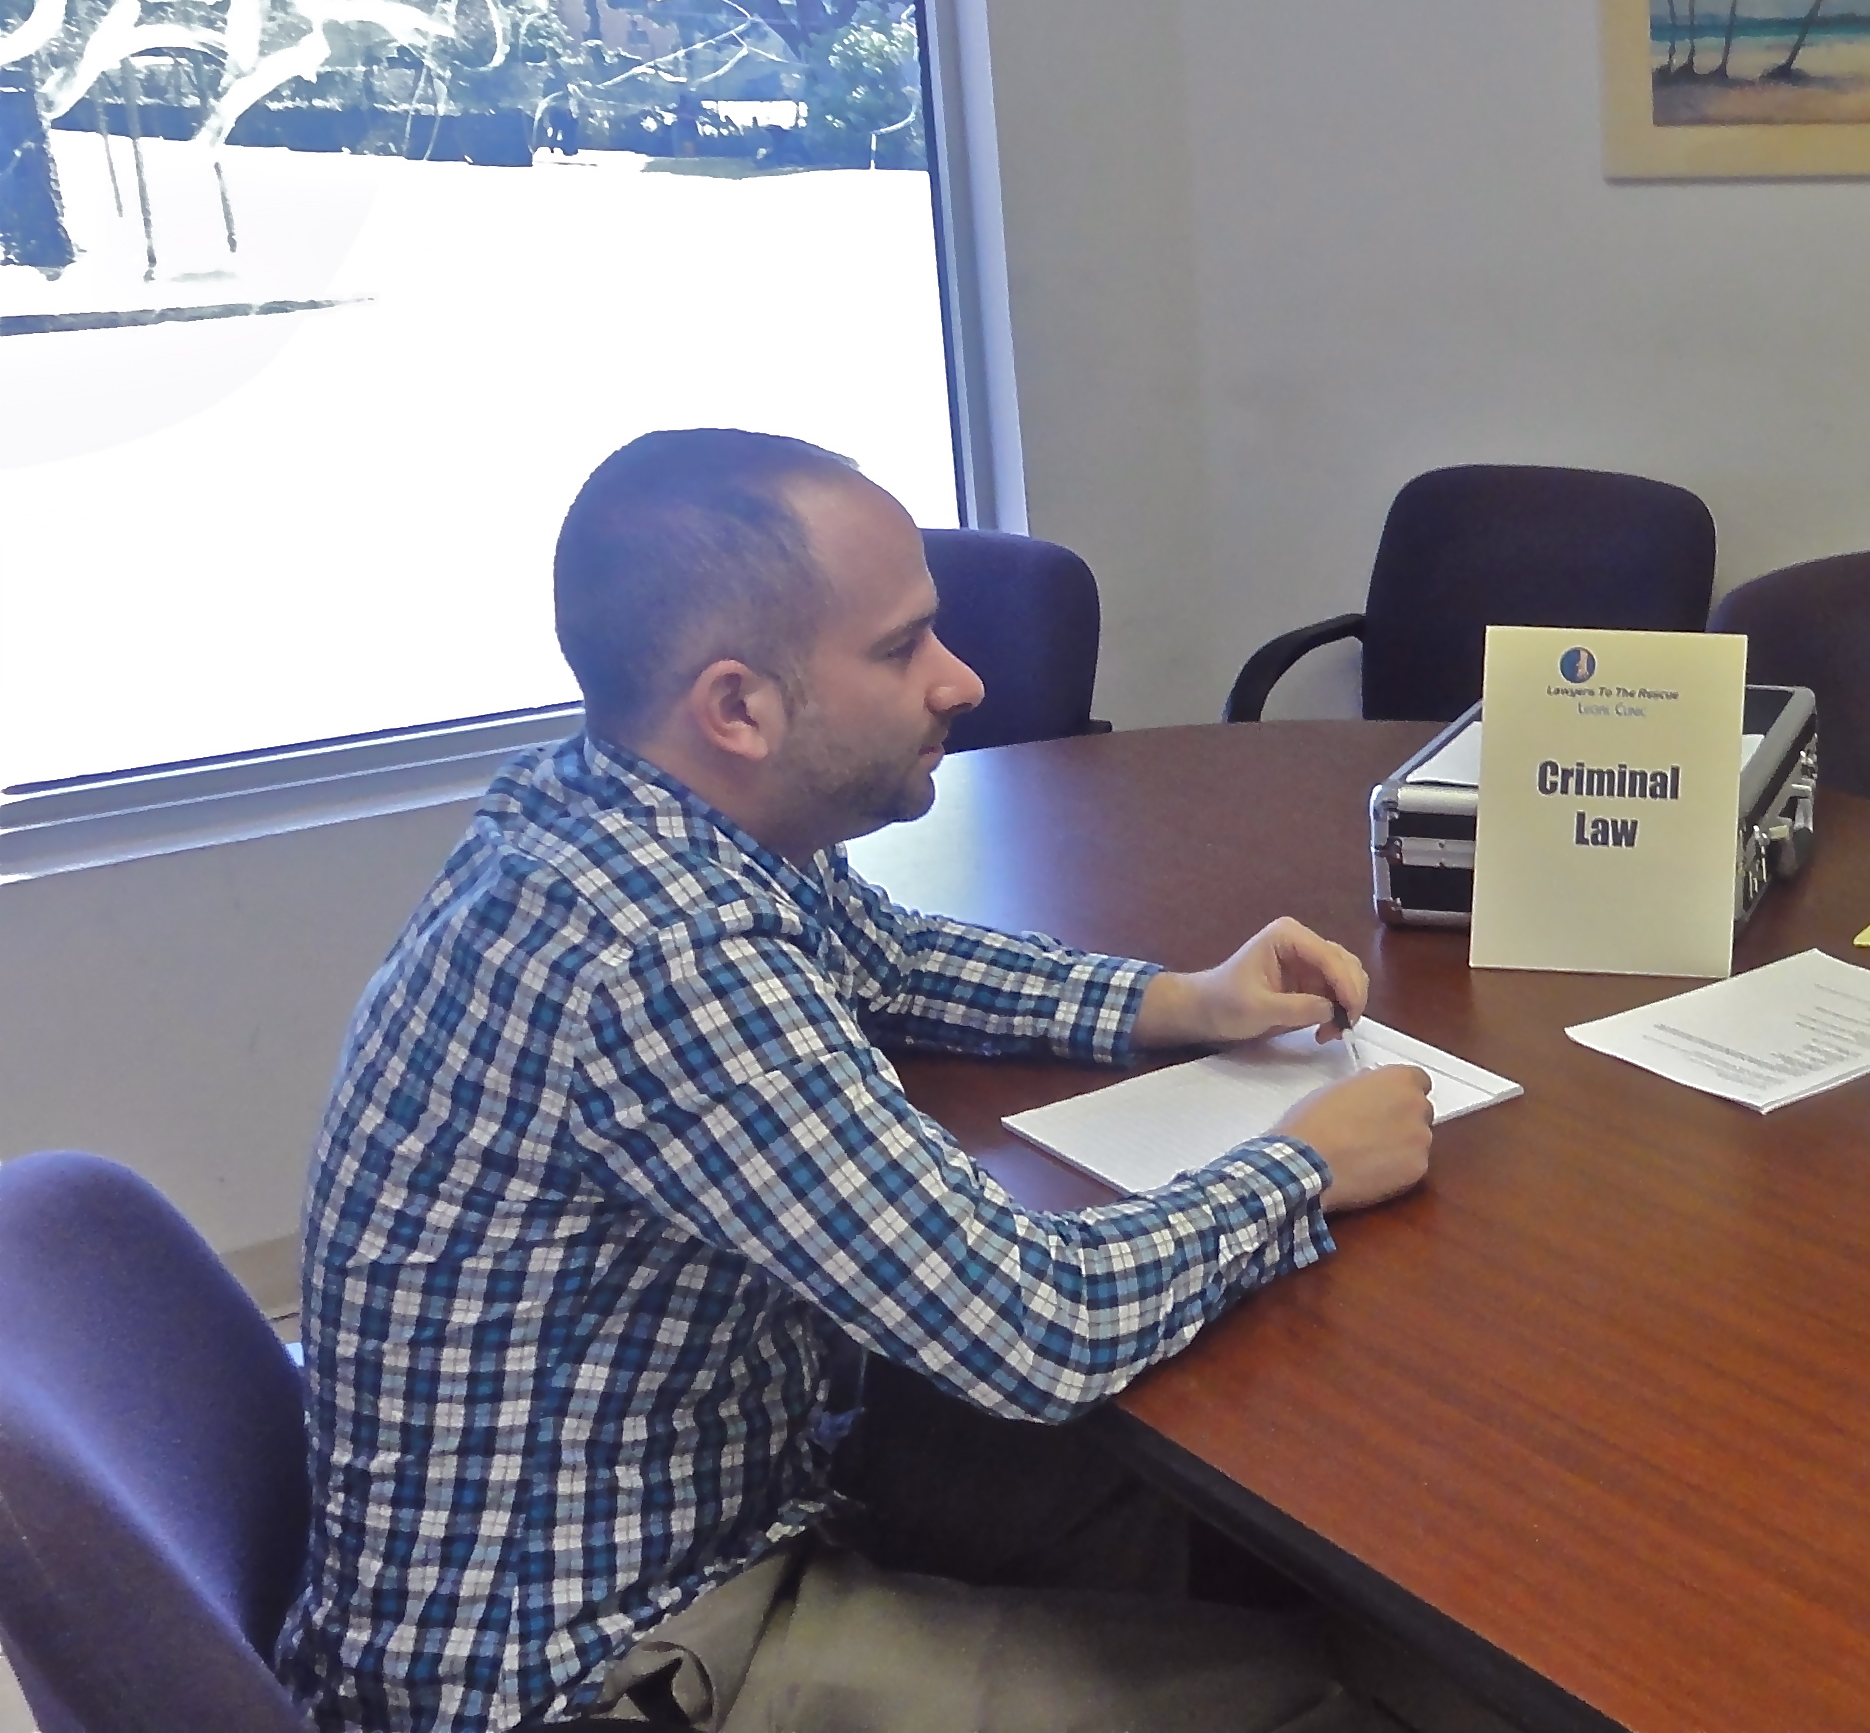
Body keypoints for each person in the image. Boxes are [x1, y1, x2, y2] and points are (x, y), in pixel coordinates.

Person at [276, 430, 1437, 1733]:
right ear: (738, 708)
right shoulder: (665, 958)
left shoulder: (621, 806)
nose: (963, 679)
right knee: (1330, 1692)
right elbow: (1034, 1326)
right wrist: (1306, 1168)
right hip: (587, 1670)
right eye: (903, 649)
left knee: (1122, 1494)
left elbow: (886, 956)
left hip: (658, 1519)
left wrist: (1181, 1002)